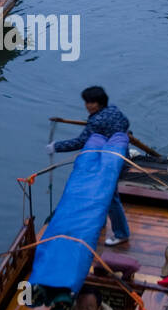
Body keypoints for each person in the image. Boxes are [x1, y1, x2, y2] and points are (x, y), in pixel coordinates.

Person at [48, 85, 131, 245]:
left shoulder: (95, 121)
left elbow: (80, 142)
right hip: (122, 157)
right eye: (86, 102)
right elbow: (126, 123)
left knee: (111, 197)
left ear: (98, 103)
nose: (87, 106)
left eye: (90, 103)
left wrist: (55, 146)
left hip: (109, 164)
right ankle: (101, 222)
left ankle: (121, 233)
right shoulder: (114, 110)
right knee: (105, 193)